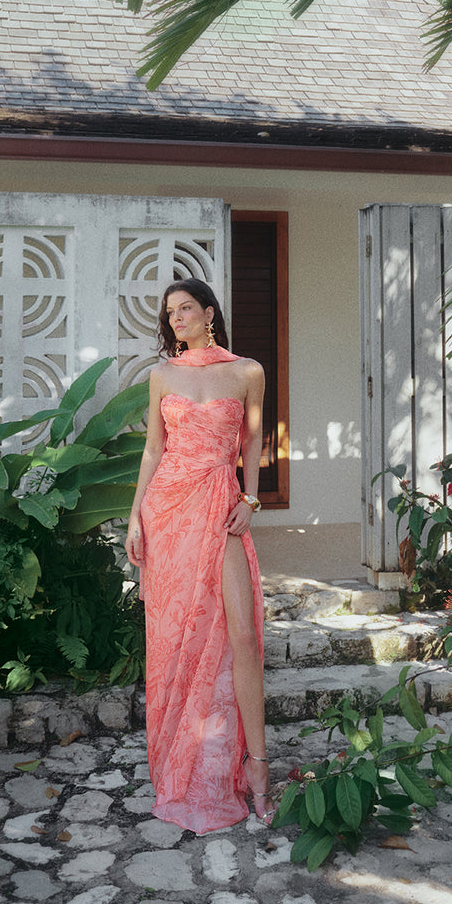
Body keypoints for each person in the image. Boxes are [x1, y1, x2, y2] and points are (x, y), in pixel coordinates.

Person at [125, 278, 272, 832]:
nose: (177, 318)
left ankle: (257, 766)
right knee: (177, 636)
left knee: (242, 634)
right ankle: (183, 763)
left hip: (221, 500)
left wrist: (252, 498)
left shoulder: (246, 371)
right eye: (170, 313)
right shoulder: (162, 375)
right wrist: (135, 517)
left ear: (209, 312)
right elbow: (153, 448)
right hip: (168, 510)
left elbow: (254, 441)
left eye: (186, 308)